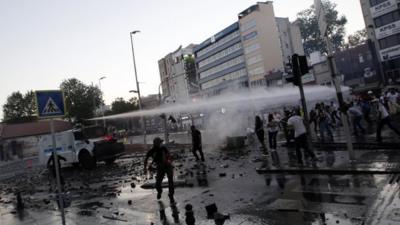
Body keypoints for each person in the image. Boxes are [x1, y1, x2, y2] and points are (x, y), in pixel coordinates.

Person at [144, 137, 175, 203]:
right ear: (155, 143)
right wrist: (145, 168)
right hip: (160, 168)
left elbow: (169, 156)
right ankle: (160, 191)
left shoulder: (163, 148)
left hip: (167, 166)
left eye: (161, 142)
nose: (160, 144)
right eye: (159, 143)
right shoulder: (152, 151)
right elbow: (146, 159)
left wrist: (169, 160)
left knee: (170, 181)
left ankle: (171, 195)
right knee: (158, 184)